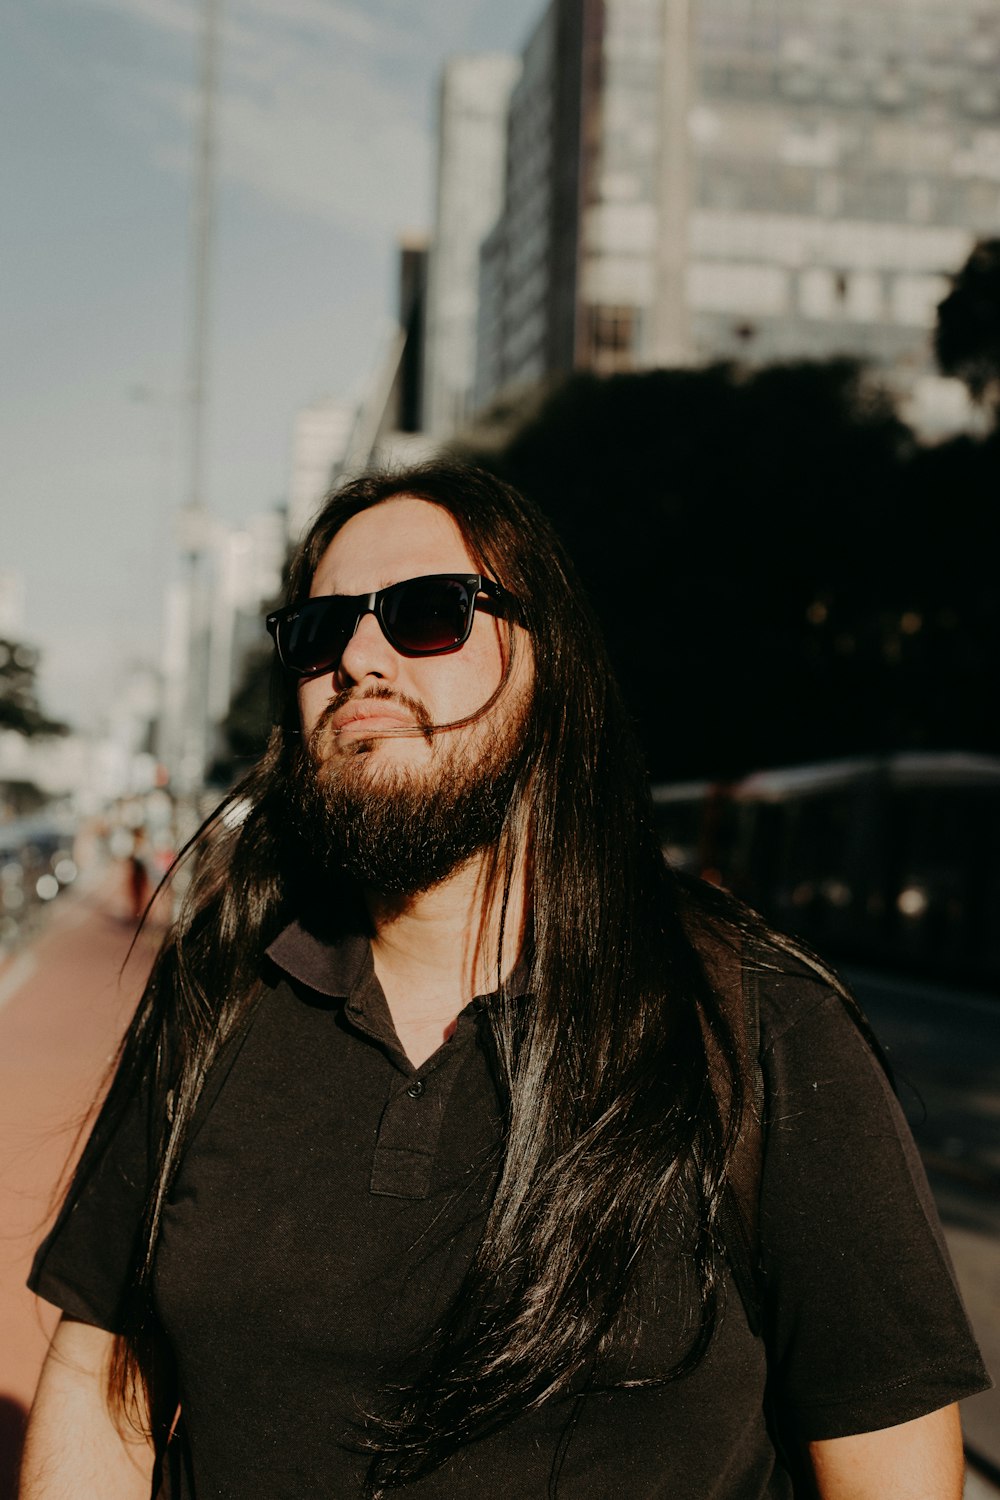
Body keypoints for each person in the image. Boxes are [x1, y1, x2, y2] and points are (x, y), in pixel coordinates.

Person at [21, 463, 989, 1498]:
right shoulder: (216, 994)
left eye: (426, 615)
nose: (356, 658)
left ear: (548, 667)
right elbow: (101, 1377)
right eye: (319, 629)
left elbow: (891, 1466)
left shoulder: (753, 1019)